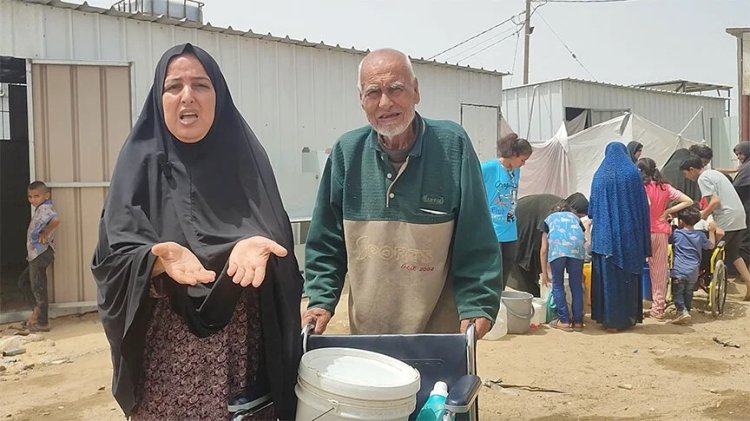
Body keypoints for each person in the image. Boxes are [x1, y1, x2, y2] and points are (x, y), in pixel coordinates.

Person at [91, 44, 303, 420]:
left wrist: (260, 251)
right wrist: (153, 260)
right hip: (163, 370)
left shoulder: (247, 162)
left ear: (218, 95)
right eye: (174, 86)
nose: (187, 96)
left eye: (201, 85)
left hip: (239, 367)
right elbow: (111, 262)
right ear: (160, 99)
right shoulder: (136, 165)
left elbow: (282, 252)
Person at [302, 48, 501, 339]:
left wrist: (477, 302)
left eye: (396, 89)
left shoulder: (452, 146)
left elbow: (476, 234)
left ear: (416, 91)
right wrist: (320, 299)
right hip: (368, 334)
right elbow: (326, 239)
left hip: (439, 335)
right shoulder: (347, 151)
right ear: (361, 100)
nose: (385, 102)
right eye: (373, 92)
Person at [589, 142, 651, 331]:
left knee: (608, 280)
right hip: (628, 237)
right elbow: (642, 206)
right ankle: (627, 318)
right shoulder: (632, 174)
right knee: (627, 279)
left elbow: (591, 210)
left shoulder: (599, 176)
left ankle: (609, 320)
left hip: (604, 239)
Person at [680, 156, 750, 301]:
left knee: (710, 249)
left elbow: (715, 202)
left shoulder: (702, 178)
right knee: (734, 253)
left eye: (685, 173)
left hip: (727, 216)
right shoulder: (714, 173)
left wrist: (701, 217)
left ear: (692, 170)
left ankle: (701, 281)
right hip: (738, 214)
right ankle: (749, 282)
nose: (686, 177)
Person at [636, 157, 693, 321]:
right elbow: (688, 200)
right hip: (661, 231)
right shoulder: (664, 187)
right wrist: (668, 212)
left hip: (642, 232)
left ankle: (635, 306)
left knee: (636, 269)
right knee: (659, 271)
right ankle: (658, 308)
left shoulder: (641, 187)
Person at [481, 132, 533, 290]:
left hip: (510, 227)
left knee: (507, 267)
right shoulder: (488, 168)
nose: (523, 164)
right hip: (492, 229)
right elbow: (472, 187)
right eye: (522, 160)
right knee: (492, 270)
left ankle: (499, 300)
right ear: (513, 155)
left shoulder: (516, 171)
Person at [510, 193, 589, 296]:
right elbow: (544, 249)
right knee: (529, 289)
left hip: (528, 229)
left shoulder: (561, 210)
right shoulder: (555, 212)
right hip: (519, 230)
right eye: (577, 216)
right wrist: (545, 274)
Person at [18, 181, 60, 332]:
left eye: (36, 196)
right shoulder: (40, 208)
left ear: (46, 196)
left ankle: (43, 323)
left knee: (39, 288)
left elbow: (56, 220)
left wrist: (45, 232)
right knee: (23, 282)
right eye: (30, 196)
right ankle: (36, 311)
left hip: (41, 253)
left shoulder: (45, 208)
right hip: (35, 254)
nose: (33, 199)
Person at [540, 199, 587, 331]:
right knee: (576, 285)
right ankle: (578, 321)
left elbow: (544, 249)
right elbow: (581, 238)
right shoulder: (575, 218)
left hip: (558, 252)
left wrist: (544, 273)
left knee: (557, 284)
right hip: (577, 251)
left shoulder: (548, 220)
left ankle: (564, 320)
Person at [670, 206, 716, 324]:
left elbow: (668, 240)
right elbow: (710, 246)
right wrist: (711, 231)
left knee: (678, 293)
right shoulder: (700, 235)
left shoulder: (677, 234)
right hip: (693, 271)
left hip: (679, 270)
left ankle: (682, 312)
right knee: (688, 292)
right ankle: (687, 310)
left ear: (681, 221)